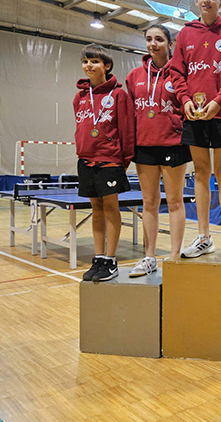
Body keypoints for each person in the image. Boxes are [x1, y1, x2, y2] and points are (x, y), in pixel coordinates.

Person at [169, 0, 221, 260]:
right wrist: (186, 100)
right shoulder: (185, 34)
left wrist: (218, 101)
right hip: (194, 115)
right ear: (196, 0)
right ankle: (204, 237)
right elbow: (176, 73)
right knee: (200, 174)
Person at [125, 25, 191, 275]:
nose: (153, 44)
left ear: (170, 44)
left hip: (174, 144)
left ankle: (174, 257)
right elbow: (130, 112)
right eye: (149, 39)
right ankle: (149, 256)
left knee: (174, 202)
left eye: (159, 39)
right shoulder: (134, 76)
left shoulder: (179, 73)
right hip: (144, 145)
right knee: (149, 202)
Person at [74, 44, 134, 282]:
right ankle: (99, 256)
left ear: (106, 66)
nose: (89, 65)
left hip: (110, 161)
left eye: (94, 61)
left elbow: (128, 131)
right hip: (86, 161)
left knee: (110, 208)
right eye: (86, 61)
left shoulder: (119, 95)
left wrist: (123, 160)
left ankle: (110, 259)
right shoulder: (79, 97)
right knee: (96, 209)